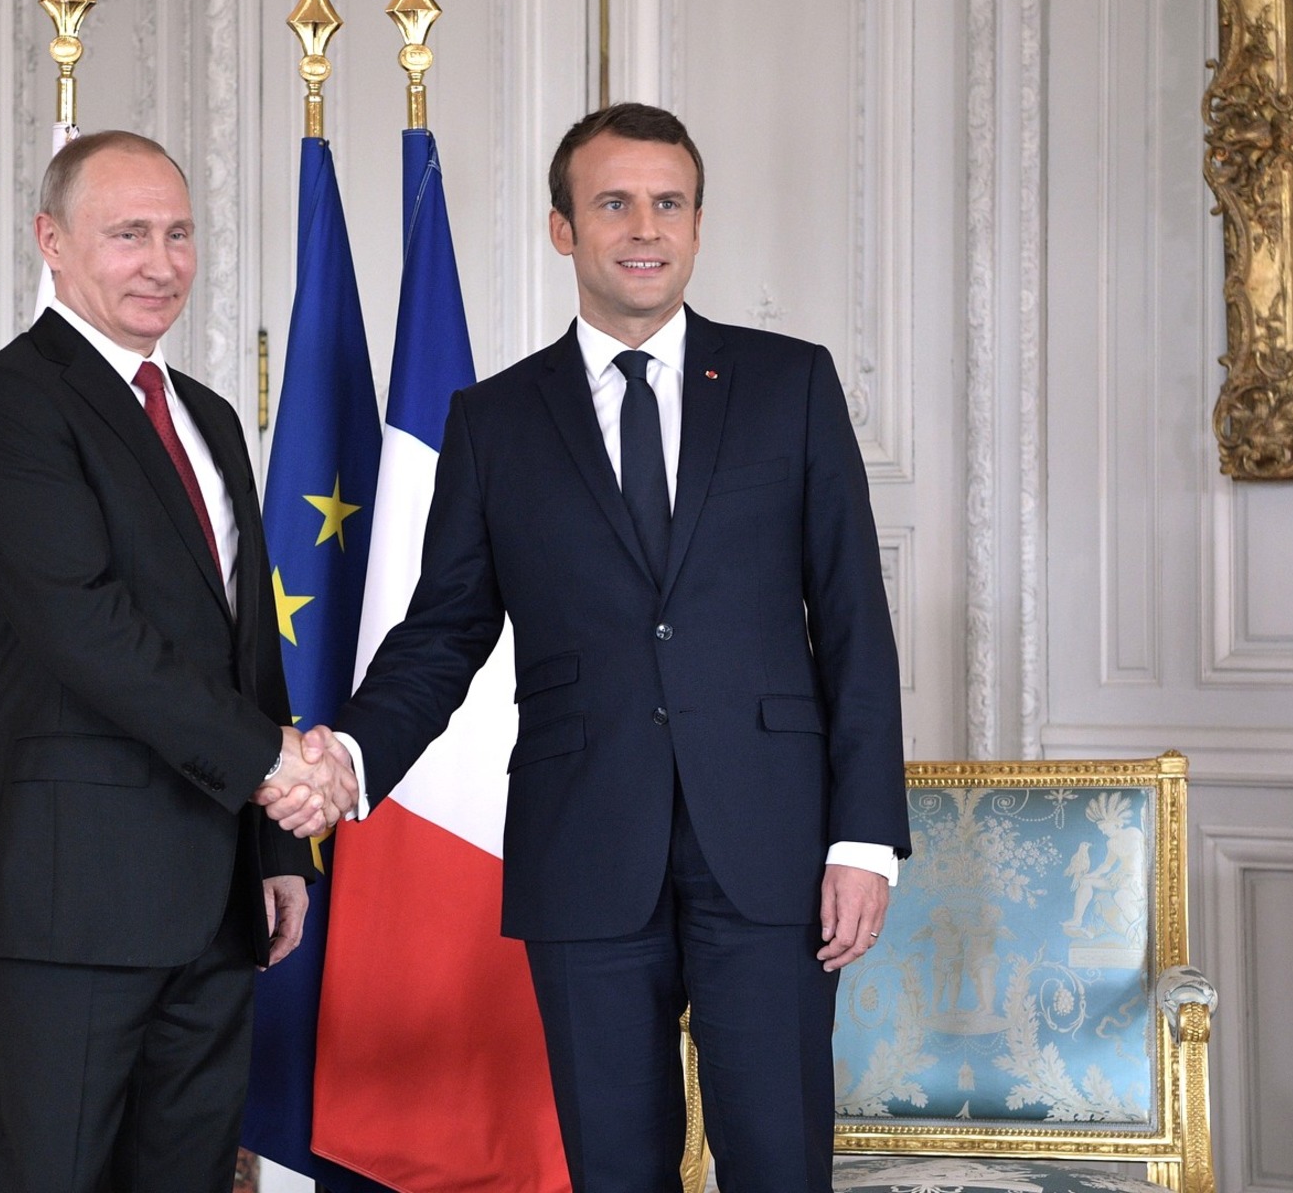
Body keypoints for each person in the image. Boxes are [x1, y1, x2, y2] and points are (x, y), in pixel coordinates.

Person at [308, 103, 909, 1190]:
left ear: (697, 224)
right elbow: (443, 632)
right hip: (583, 848)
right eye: (615, 203)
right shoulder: (493, 421)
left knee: (779, 1165)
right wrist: (350, 756)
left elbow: (854, 620)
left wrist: (864, 838)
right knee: (614, 1171)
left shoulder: (791, 385)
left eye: (669, 203)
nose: (645, 228)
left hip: (771, 845)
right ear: (564, 228)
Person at [0, 130, 355, 1192]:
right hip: (72, 898)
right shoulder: (6, 404)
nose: (161, 263)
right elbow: (89, 631)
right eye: (129, 234)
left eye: (178, 234)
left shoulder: (207, 415)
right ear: (53, 241)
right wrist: (276, 762)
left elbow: (246, 642)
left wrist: (275, 845)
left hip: (215, 900)